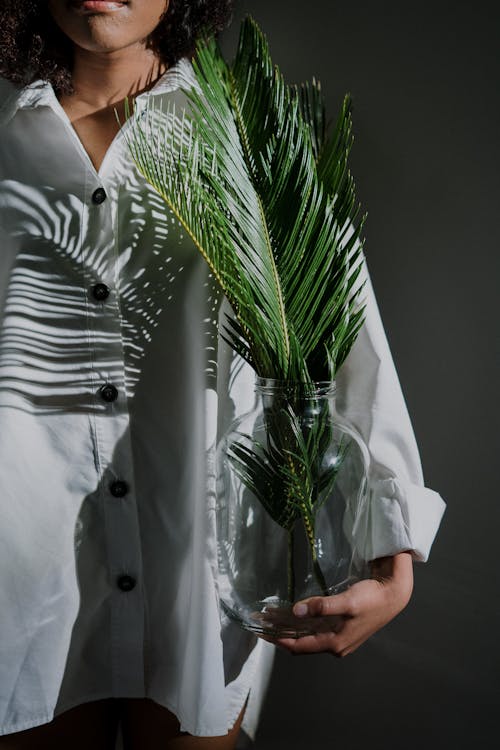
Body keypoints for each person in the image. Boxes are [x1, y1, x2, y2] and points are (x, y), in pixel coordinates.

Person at [0, 1, 446, 748]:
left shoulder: (249, 139)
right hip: (20, 585)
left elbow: (346, 334)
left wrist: (392, 545)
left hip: (200, 586)